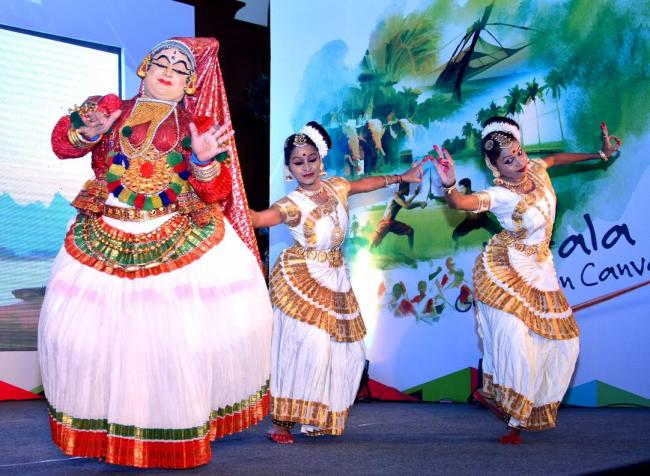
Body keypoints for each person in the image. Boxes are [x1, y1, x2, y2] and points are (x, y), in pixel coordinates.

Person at [39, 38, 273, 468]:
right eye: (162, 61)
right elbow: (61, 144)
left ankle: (171, 433)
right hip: (104, 234)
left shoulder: (199, 125)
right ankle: (109, 433)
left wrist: (204, 161)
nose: (169, 70)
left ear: (190, 84)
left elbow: (217, 192)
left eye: (181, 68)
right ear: (144, 68)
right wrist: (90, 131)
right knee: (85, 340)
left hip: (176, 238)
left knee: (173, 344)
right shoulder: (110, 108)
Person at [429, 116, 621, 444]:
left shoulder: (535, 169)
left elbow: (554, 159)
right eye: (508, 160)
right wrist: (449, 186)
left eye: (519, 153)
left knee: (565, 342)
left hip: (540, 267)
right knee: (515, 340)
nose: (519, 162)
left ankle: (522, 406)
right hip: (507, 268)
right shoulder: (499, 195)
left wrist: (600, 154)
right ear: (494, 166)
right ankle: (513, 419)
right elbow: (461, 203)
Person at [250, 121, 423, 443]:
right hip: (304, 280)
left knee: (349, 351)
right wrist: (233, 209)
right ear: (289, 168)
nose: (306, 167)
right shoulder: (291, 204)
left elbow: (366, 184)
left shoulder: (337, 187)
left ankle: (321, 417)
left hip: (336, 278)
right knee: (308, 348)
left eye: (311, 159)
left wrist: (403, 177)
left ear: (320, 160)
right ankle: (281, 423)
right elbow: (260, 219)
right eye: (298, 162)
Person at [370, 182, 427, 251]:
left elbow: (406, 203)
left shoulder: (401, 197)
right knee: (375, 241)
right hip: (386, 222)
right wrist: (419, 204)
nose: (409, 190)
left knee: (410, 231)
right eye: (408, 188)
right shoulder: (396, 196)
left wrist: (415, 195)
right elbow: (406, 206)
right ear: (404, 188)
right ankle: (369, 251)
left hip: (391, 223)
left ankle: (411, 252)